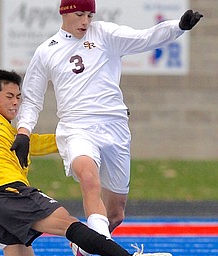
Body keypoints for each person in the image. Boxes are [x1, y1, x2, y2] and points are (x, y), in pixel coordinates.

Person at [0, 68, 172, 256]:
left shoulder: (10, 131)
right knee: (69, 224)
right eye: (10, 96)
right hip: (10, 192)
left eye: (19, 97)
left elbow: (43, 142)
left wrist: (92, 127)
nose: (16, 103)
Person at [12, 0, 203, 255]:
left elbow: (144, 38)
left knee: (115, 214)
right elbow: (32, 98)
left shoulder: (105, 34)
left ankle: (84, 246)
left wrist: (178, 27)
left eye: (90, 15)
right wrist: (23, 132)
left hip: (115, 127)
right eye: (79, 14)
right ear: (64, 13)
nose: (85, 21)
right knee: (89, 180)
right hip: (77, 127)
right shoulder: (47, 50)